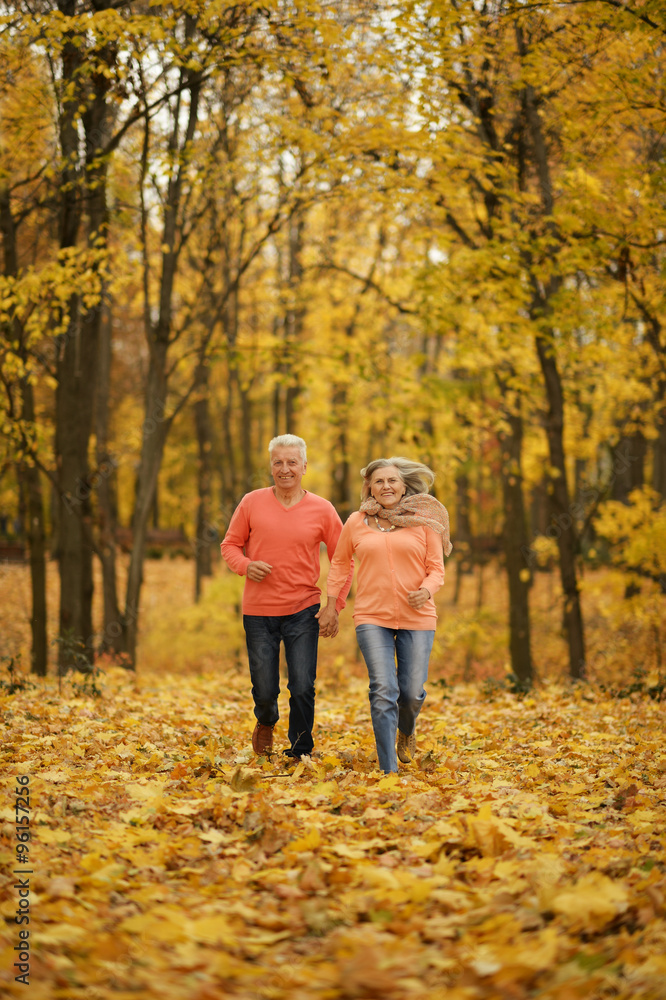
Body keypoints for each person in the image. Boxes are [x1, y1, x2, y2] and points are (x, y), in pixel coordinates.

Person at [220, 435, 351, 761]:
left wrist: (334, 605)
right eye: (278, 462)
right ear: (271, 466)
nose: (285, 468)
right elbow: (230, 546)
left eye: (292, 462)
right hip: (259, 611)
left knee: (303, 685)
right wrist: (246, 566)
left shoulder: (323, 509)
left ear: (304, 467)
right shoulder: (252, 502)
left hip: (302, 608)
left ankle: (300, 750)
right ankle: (266, 721)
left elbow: (342, 559)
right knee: (265, 689)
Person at [318, 457, 452, 773]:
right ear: (370, 488)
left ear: (404, 485)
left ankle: (406, 729)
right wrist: (331, 605)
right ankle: (388, 770)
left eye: (392, 480)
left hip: (417, 616)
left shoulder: (423, 521)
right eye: (379, 481)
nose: (386, 486)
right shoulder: (356, 522)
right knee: (383, 690)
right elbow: (340, 563)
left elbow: (436, 569)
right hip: (371, 616)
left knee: (411, 692)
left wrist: (427, 590)